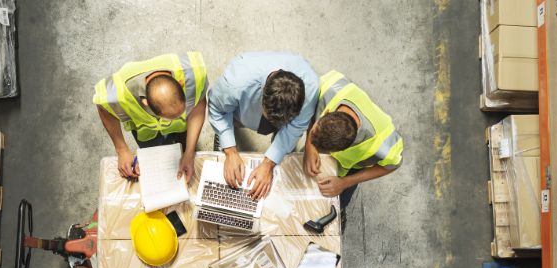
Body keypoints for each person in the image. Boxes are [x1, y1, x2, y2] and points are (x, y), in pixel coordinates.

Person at [208, 52, 319, 199]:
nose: (274, 124)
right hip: (243, 108)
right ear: (262, 96)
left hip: (282, 114)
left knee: (285, 144)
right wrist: (230, 151)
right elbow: (217, 109)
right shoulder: (235, 83)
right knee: (230, 121)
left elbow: (295, 127)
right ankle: (225, 137)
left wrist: (269, 164)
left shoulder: (311, 88)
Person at [93, 52, 208, 182]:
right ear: (146, 103)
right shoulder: (117, 93)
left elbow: (198, 106)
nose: (175, 120)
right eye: (168, 118)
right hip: (147, 133)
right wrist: (122, 150)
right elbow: (103, 107)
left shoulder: (193, 76)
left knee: (184, 141)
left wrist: (189, 152)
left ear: (181, 84)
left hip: (182, 130)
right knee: (153, 153)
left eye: (180, 113)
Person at [304, 70, 404, 210]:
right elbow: (308, 111)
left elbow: (392, 166)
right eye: (315, 131)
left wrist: (344, 183)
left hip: (349, 172)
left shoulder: (383, 145)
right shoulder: (328, 86)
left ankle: (341, 210)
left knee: (339, 202)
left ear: (344, 149)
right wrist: (309, 147)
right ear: (326, 113)